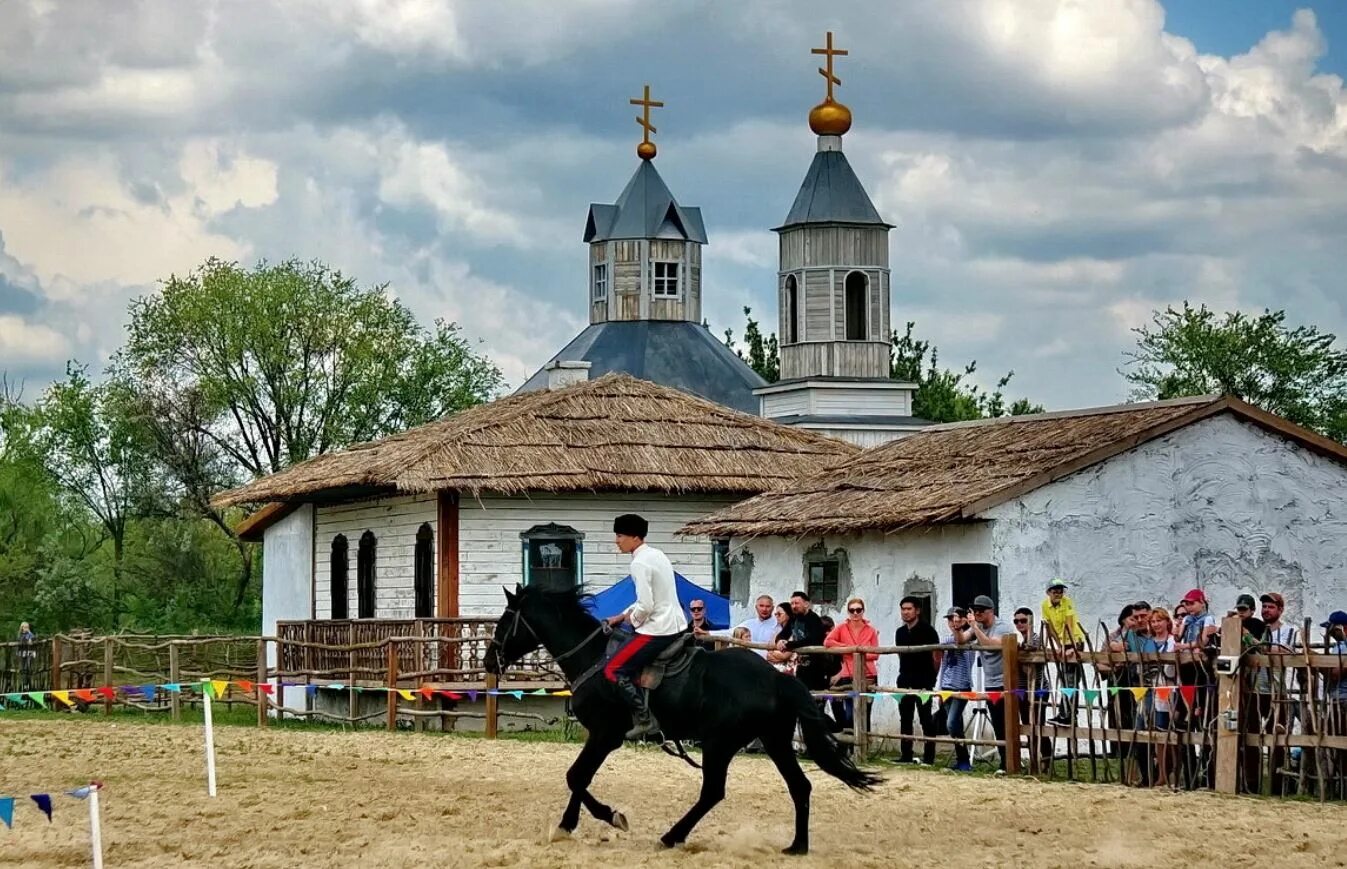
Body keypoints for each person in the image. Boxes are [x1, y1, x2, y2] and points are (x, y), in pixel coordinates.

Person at [602, 513, 688, 739]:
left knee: (613, 669)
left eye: (620, 536)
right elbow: (656, 596)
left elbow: (647, 605)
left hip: (658, 629)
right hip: (676, 622)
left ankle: (644, 719)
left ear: (635, 537)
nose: (616, 541)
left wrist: (633, 619)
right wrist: (622, 615)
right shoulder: (656, 554)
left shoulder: (639, 563)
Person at [960, 595, 1011, 771]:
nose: (978, 613)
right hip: (991, 683)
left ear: (991, 611)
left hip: (1006, 683)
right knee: (997, 724)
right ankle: (1005, 762)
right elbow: (961, 640)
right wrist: (956, 627)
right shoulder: (979, 626)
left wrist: (974, 626)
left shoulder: (1002, 627)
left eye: (981, 610)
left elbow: (989, 645)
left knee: (1007, 724)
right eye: (975, 610)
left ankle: (1010, 761)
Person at [1255, 592, 1298, 795]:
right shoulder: (1257, 629)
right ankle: (1253, 783)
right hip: (1255, 689)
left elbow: (1283, 651)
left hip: (1277, 689)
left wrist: (1262, 649)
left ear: (1280, 610)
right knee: (1253, 736)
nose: (1266, 610)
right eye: (1264, 606)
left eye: (1271, 607)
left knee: (1278, 738)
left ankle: (1277, 785)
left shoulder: (1288, 630)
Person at [893, 596, 941, 765]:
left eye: (909, 609)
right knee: (905, 718)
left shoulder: (928, 631)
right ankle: (906, 754)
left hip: (924, 679)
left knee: (925, 718)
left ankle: (929, 757)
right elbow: (900, 654)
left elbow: (936, 656)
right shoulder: (900, 632)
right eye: (903, 609)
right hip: (905, 678)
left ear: (917, 610)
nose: (905, 612)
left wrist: (931, 678)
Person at [823, 597, 879, 737]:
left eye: (858, 610)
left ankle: (863, 746)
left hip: (868, 674)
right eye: (852, 610)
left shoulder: (871, 630)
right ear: (848, 612)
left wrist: (857, 652)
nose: (855, 613)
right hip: (848, 674)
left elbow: (875, 653)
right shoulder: (841, 628)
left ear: (863, 611)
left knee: (865, 711)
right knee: (849, 712)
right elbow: (828, 641)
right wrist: (850, 648)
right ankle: (850, 745)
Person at [1013, 608, 1053, 772]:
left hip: (1037, 689)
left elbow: (1029, 668)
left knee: (1038, 725)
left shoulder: (1035, 639)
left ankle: (1045, 759)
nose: (1020, 624)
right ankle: (1035, 759)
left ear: (1030, 621)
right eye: (1016, 621)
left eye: (1023, 620)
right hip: (1023, 690)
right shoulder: (1021, 641)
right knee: (1028, 725)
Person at [1041, 580, 1085, 725]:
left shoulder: (1067, 602)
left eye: (1061, 591)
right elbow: (1049, 627)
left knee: (1070, 681)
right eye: (1055, 591)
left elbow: (1069, 624)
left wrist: (1070, 646)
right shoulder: (1045, 605)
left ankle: (1069, 715)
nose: (1059, 594)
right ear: (1048, 593)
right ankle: (1065, 713)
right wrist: (1058, 645)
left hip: (1074, 641)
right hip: (1062, 642)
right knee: (1065, 680)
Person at [938, 607, 974, 771]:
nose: (953, 622)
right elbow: (943, 665)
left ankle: (964, 758)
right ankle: (962, 759)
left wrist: (959, 629)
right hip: (947, 686)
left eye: (956, 618)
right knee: (956, 724)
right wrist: (940, 688)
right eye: (951, 619)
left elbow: (960, 640)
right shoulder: (946, 640)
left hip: (961, 686)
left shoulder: (970, 638)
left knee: (951, 723)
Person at [1145, 608, 1178, 788]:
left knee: (1174, 734)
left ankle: (1176, 774)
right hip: (1155, 689)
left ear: (1166, 621)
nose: (1156, 624)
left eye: (1159, 620)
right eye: (1153, 621)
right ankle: (1162, 775)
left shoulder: (1174, 641)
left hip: (1173, 689)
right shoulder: (1149, 643)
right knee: (1159, 733)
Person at [777, 591, 827, 696]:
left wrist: (789, 644)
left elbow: (813, 640)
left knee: (816, 700)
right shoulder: (793, 619)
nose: (794, 606)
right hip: (801, 666)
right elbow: (782, 634)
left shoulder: (814, 619)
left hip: (816, 667)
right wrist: (780, 641)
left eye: (797, 603)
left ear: (806, 604)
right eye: (792, 603)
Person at [766, 603, 795, 672]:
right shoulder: (777, 630)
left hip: (789, 669)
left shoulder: (794, 631)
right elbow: (769, 650)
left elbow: (785, 655)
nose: (777, 616)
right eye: (775, 614)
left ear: (788, 614)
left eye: (779, 614)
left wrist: (773, 653)